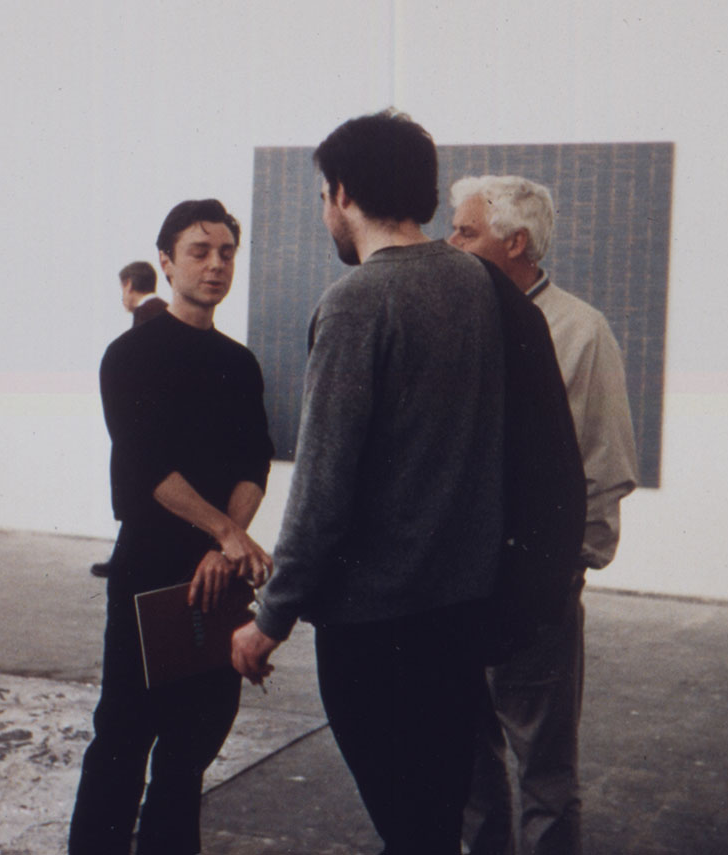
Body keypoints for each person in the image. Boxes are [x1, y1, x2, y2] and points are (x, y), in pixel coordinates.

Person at [232, 110, 508, 854]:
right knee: (435, 822)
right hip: (460, 612)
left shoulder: (355, 302)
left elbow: (323, 488)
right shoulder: (477, 284)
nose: (325, 210)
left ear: (344, 192)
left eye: (325, 194)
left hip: (377, 630)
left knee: (407, 825)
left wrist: (270, 619)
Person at [69, 199, 274, 855]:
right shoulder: (131, 356)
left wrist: (226, 542)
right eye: (199, 250)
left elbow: (253, 459)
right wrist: (228, 535)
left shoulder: (239, 363)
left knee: (191, 749)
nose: (215, 264)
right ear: (166, 261)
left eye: (226, 253)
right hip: (151, 568)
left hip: (218, 574)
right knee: (125, 738)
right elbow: (148, 466)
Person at [448, 175, 639, 855]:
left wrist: (561, 575)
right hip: (457, 590)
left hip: (535, 592)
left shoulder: (581, 331)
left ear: (515, 241)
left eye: (465, 231)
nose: (450, 242)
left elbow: (604, 465)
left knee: (545, 776)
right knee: (470, 769)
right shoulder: (457, 320)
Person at [89, 260, 167, 578]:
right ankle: (121, 559)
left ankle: (123, 563)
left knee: (137, 486)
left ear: (129, 286)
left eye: (122, 288)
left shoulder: (149, 316)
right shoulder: (159, 311)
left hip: (149, 425)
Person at [119, 259, 166, 327]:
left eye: (122, 289)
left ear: (129, 285)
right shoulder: (169, 309)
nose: (122, 298)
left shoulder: (142, 314)